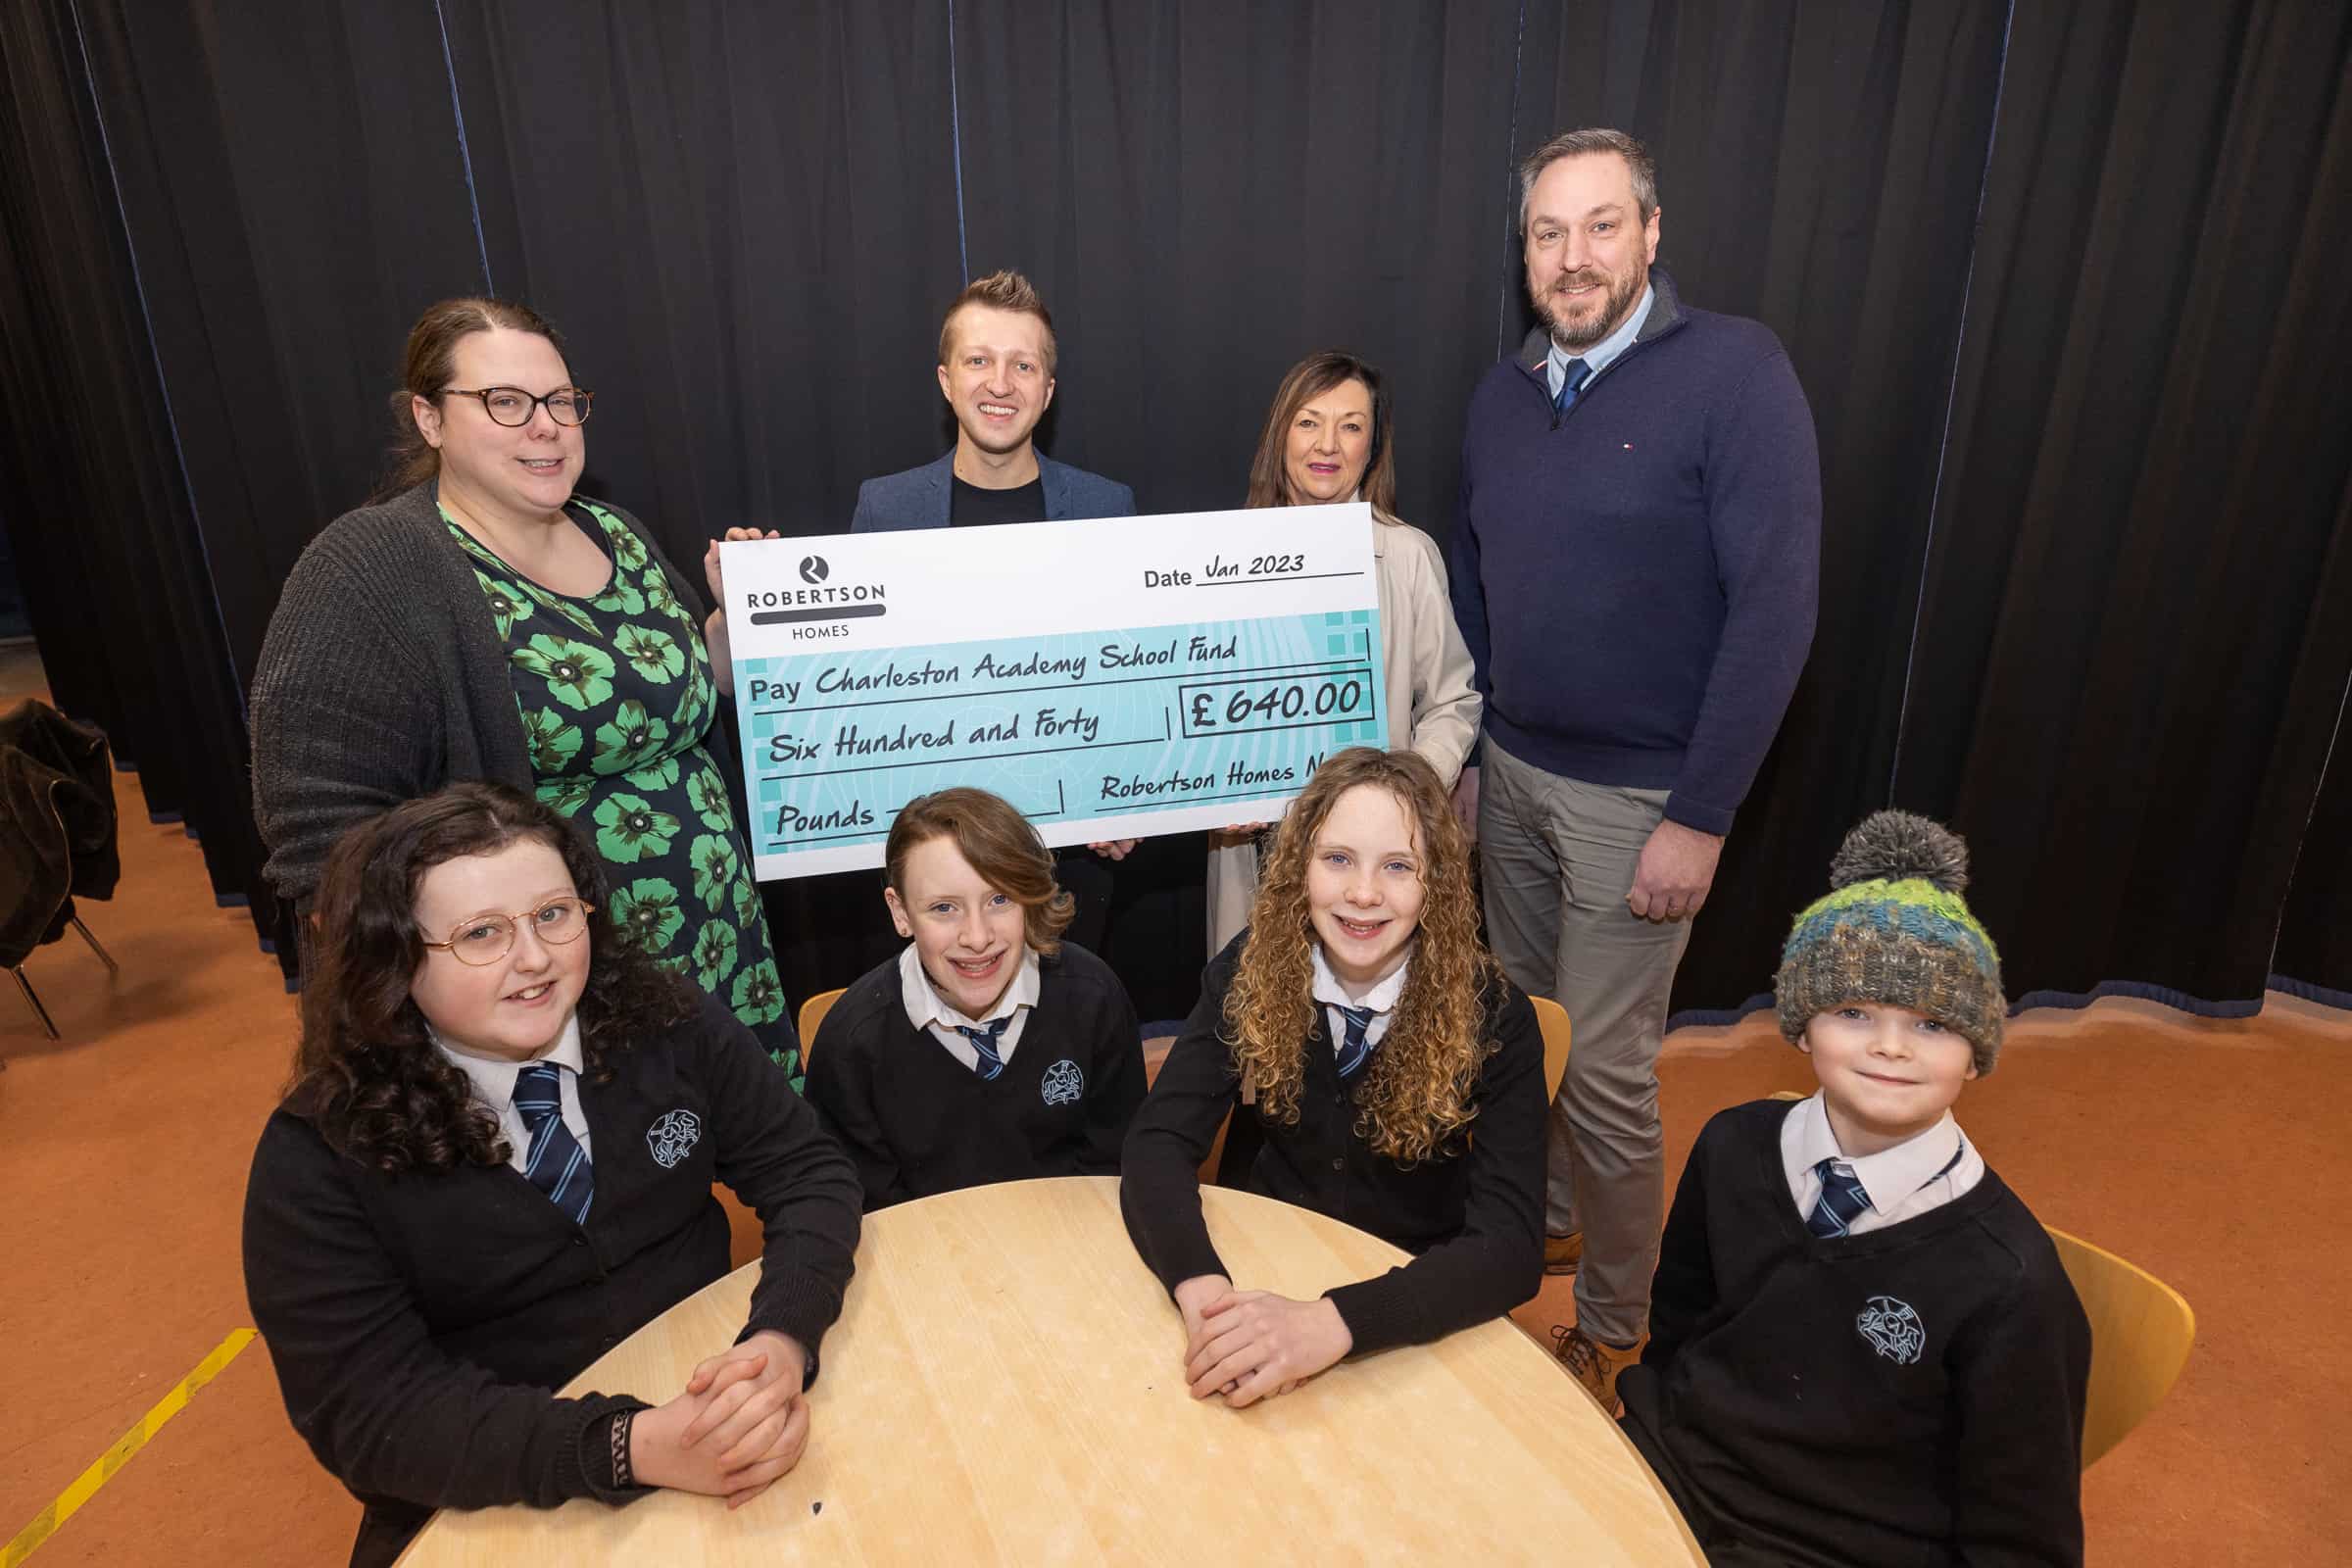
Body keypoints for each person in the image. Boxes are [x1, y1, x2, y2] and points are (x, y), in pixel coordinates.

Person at [240, 784, 861, 1568]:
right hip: (498, 1493)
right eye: (480, 934)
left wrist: (782, 1334)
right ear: (394, 957)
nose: (534, 960)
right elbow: (371, 1416)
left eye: (554, 915)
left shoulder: (661, 1018)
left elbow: (806, 1169)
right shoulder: (318, 1155)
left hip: (707, 1404)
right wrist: (629, 1448)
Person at [1447, 127, 1822, 1402]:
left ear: (1652, 234)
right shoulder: (1503, 396)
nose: (1574, 256)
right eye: (1548, 233)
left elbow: (1775, 608)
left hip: (1641, 805)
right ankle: (1549, 1216)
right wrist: (1484, 751)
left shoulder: (1735, 374)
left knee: (1608, 1075)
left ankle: (1618, 1327)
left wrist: (1702, 815)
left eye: (1602, 225)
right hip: (1517, 775)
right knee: (1529, 1033)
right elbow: (1484, 585)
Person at [249, 298, 800, 1076]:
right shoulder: (369, 568)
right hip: (539, 978)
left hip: (713, 931)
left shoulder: (617, 532)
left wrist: (731, 626)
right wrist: (426, 978)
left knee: (726, 1142)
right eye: (504, 402)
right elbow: (317, 829)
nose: (544, 425)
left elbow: (668, 704)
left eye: (561, 402)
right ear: (430, 418)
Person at [1617, 810, 2090, 1565]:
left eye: (1933, 1023)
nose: (1890, 1047)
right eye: (1854, 1011)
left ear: (1977, 1055)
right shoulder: (1734, 1144)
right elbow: (1679, 1323)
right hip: (1670, 1472)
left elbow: (2021, 1537)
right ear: (1803, 1028)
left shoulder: (2012, 1283)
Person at [1120, 748, 1544, 1406]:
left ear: (1438, 885)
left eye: (1398, 866)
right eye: (1338, 859)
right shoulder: (1253, 968)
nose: (1364, 893)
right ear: (1299, 868)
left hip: (1410, 1302)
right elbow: (1157, 1144)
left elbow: (1511, 1248)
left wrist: (1334, 1323)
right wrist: (1204, 1293)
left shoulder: (1494, 1018)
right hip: (1263, 1266)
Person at [847, 268, 1144, 951]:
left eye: (1022, 364)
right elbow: (860, 686)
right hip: (937, 859)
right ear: (947, 380)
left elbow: (1131, 681)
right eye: (978, 360)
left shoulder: (1107, 508)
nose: (1000, 383)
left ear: (1047, 390)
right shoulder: (885, 510)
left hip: (1068, 854)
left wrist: (1128, 795)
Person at [1205, 351, 1481, 951]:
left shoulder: (1407, 555)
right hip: (1255, 847)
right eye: (1308, 421)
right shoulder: (1219, 560)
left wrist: (1401, 796)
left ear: (1372, 446)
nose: (1327, 444)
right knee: (1260, 1017)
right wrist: (1214, 786)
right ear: (1281, 435)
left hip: (1373, 860)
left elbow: (1453, 703)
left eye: (1351, 425)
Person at [805, 787, 1147, 1209]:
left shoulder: (1092, 998)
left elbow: (1116, 1168)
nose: (978, 937)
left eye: (1000, 899)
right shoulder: (852, 1043)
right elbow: (864, 1214)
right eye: (944, 908)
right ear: (900, 912)